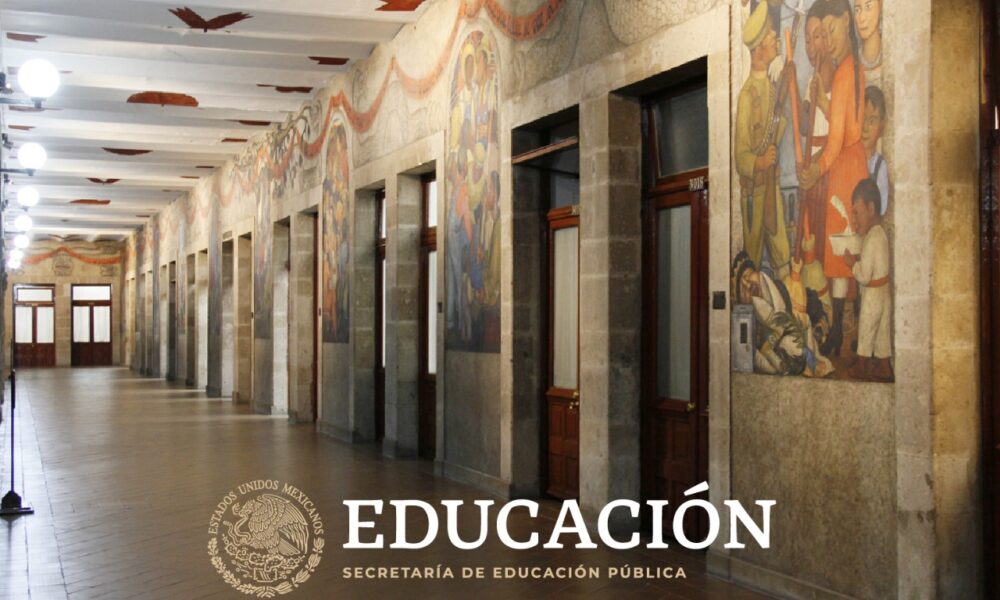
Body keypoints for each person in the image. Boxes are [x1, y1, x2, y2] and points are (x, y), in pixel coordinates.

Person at [797, 0, 868, 357]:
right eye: (820, 34)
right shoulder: (852, 69)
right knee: (846, 255)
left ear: (845, 22)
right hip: (850, 165)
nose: (828, 40)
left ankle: (842, 330)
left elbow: (838, 137)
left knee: (844, 255)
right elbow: (843, 122)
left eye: (831, 31)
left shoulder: (844, 73)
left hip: (842, 168)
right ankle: (843, 329)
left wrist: (815, 170)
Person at [735, 1, 791, 280]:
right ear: (758, 49)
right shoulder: (747, 96)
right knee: (753, 262)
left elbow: (777, 130)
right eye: (770, 34)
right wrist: (760, 161)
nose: (775, 37)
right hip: (754, 193)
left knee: (782, 254)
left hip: (772, 185)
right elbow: (740, 156)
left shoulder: (770, 87)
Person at [844, 179, 892, 381]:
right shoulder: (880, 234)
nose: (854, 219)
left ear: (871, 209)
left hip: (873, 295)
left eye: (856, 212)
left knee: (866, 330)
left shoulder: (872, 239)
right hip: (884, 293)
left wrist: (851, 264)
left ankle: (861, 366)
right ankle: (884, 367)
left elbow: (864, 277)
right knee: (882, 333)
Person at [861, 85, 890, 216]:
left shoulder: (879, 167)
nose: (865, 128)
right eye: (862, 119)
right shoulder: (850, 160)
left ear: (881, 127)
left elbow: (881, 209)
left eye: (872, 121)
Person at [854, 0, 883, 79]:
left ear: (880, 6)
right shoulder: (852, 62)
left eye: (868, 6)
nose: (862, 18)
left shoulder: (891, 54)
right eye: (857, 10)